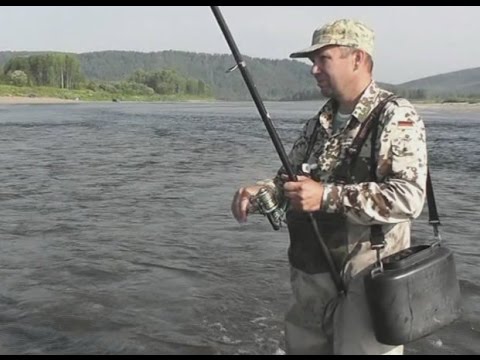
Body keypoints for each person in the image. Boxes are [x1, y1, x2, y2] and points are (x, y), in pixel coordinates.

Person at [230, 18, 427, 355]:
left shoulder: (395, 116)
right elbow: (287, 182)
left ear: (358, 59)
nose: (314, 70)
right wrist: (258, 192)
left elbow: (408, 198)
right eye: (312, 61)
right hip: (312, 274)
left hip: (368, 279)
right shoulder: (318, 122)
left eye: (324, 59)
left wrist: (326, 196)